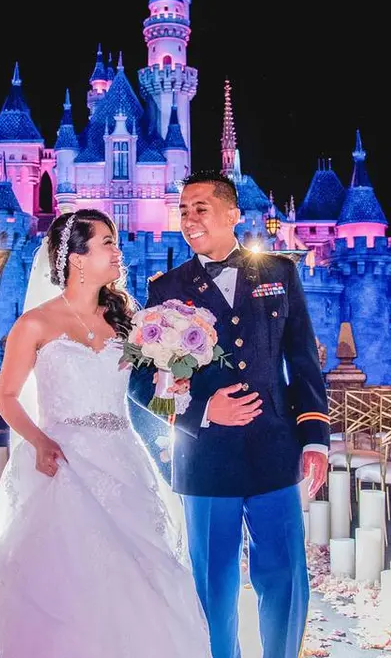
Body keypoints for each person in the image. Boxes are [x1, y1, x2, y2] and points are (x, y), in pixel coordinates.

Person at [0, 209, 212, 658]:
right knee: (64, 580)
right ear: (77, 258)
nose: (118, 251)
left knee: (134, 580)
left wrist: (174, 384)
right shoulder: (34, 324)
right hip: (62, 463)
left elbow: (148, 392)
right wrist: (40, 441)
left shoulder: (129, 321)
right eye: (107, 242)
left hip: (122, 460)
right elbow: (7, 397)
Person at [129, 171, 330, 658]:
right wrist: (202, 410)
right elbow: (139, 386)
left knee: (284, 577)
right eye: (183, 210)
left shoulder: (280, 273)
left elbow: (303, 361)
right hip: (205, 458)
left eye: (200, 208)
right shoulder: (165, 289)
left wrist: (315, 439)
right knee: (211, 586)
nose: (189, 219)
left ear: (233, 214)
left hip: (275, 449)